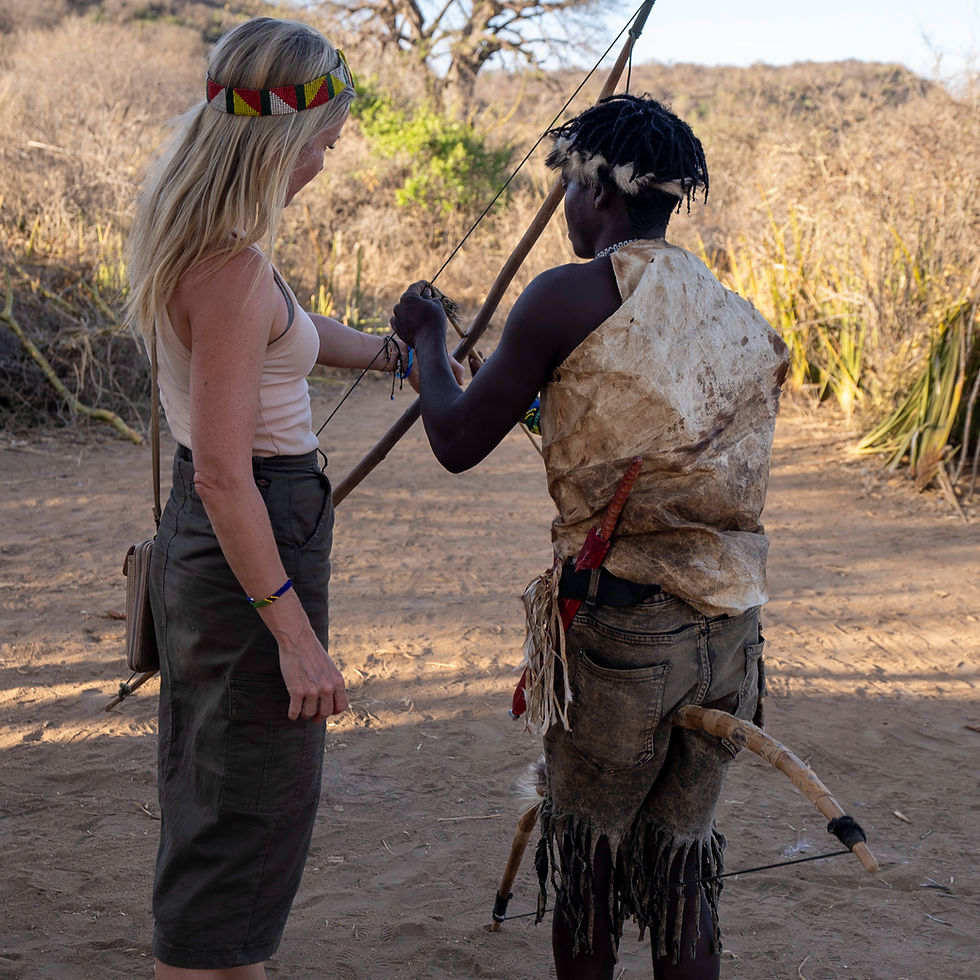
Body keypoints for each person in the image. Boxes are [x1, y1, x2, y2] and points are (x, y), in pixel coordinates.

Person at [390, 94, 789, 979]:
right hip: (731, 632)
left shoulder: (567, 294)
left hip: (625, 632)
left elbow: (455, 440)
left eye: (570, 184)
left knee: (590, 866)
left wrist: (423, 339)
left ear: (600, 192)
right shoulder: (736, 316)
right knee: (684, 865)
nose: (565, 205)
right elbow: (618, 433)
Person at [124, 17, 458, 978]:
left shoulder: (203, 239)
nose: (327, 156)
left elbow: (296, 333)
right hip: (247, 542)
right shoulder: (228, 269)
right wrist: (298, 641)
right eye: (322, 140)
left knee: (229, 813)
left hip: (232, 538)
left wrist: (403, 354)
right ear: (278, 138)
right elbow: (228, 474)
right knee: (242, 824)